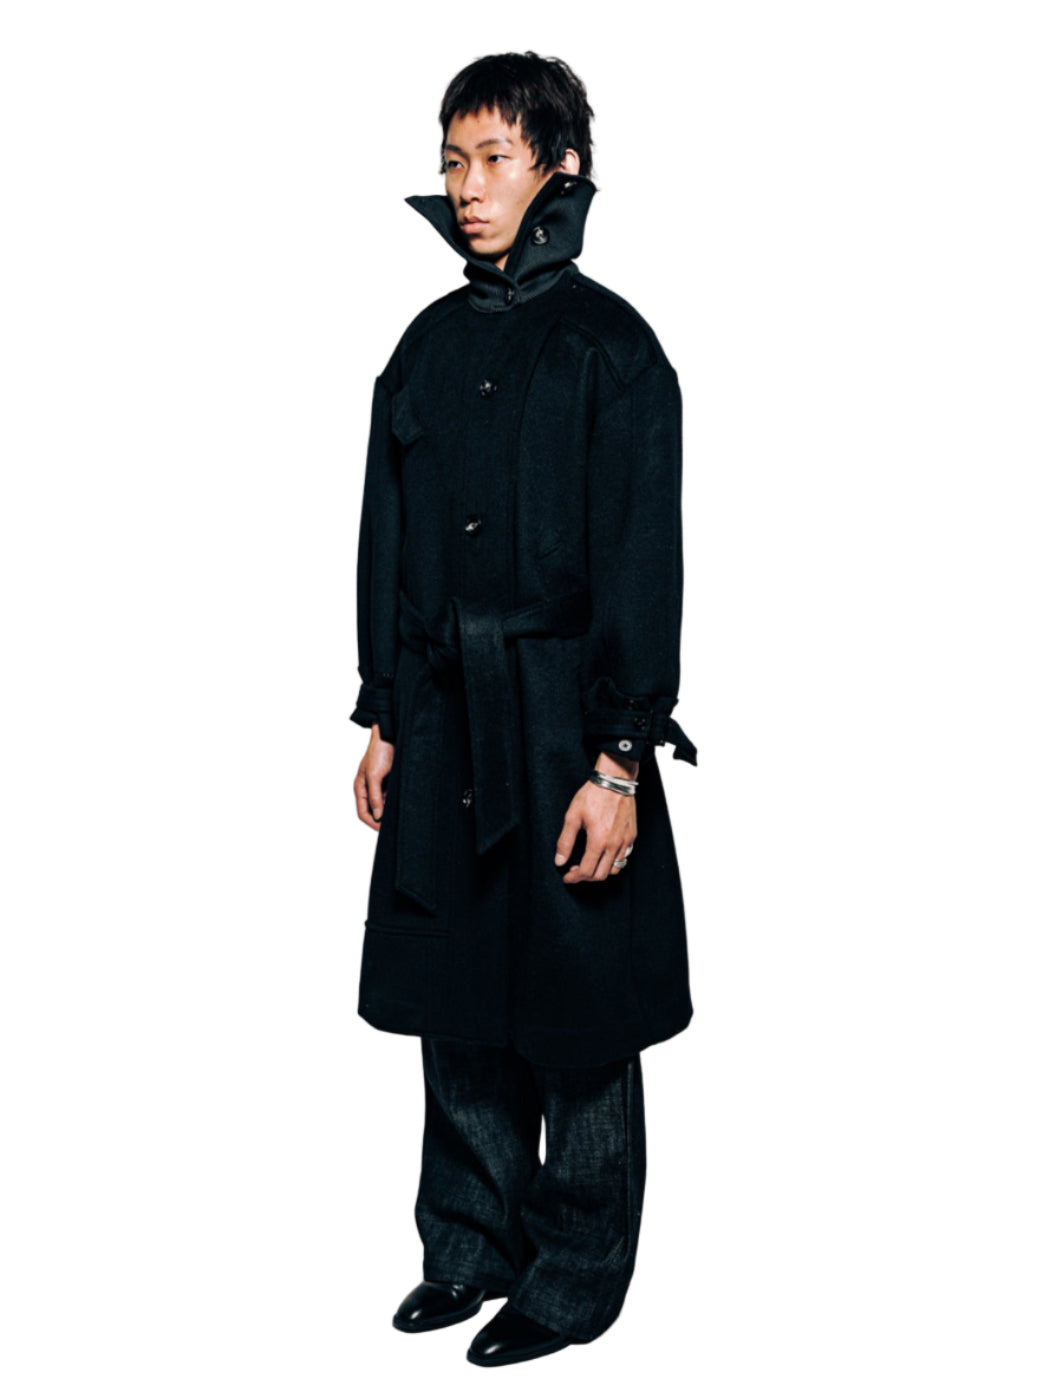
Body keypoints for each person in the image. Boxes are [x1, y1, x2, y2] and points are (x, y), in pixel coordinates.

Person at [350, 50, 697, 1366]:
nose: (469, 185)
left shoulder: (613, 350)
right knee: (454, 988)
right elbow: (386, 536)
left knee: (577, 1007)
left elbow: (642, 562)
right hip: (443, 711)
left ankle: (573, 1275)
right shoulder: (425, 348)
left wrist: (619, 758)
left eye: (495, 157)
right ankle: (467, 1247)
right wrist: (386, 710)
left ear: (559, 168)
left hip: (564, 719)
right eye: (453, 160)